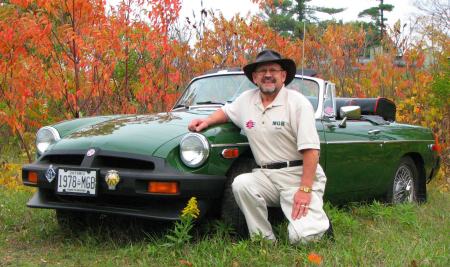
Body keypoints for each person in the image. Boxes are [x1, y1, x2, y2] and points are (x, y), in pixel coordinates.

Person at [188, 49, 330, 244]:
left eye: (273, 70)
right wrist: (205, 122)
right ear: (255, 77)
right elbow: (226, 112)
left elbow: (312, 151)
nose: (268, 75)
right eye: (262, 71)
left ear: (283, 75)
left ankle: (316, 224)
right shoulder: (246, 100)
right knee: (241, 183)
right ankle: (264, 239)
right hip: (266, 176)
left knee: (302, 239)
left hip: (297, 176)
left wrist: (305, 190)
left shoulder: (298, 104)